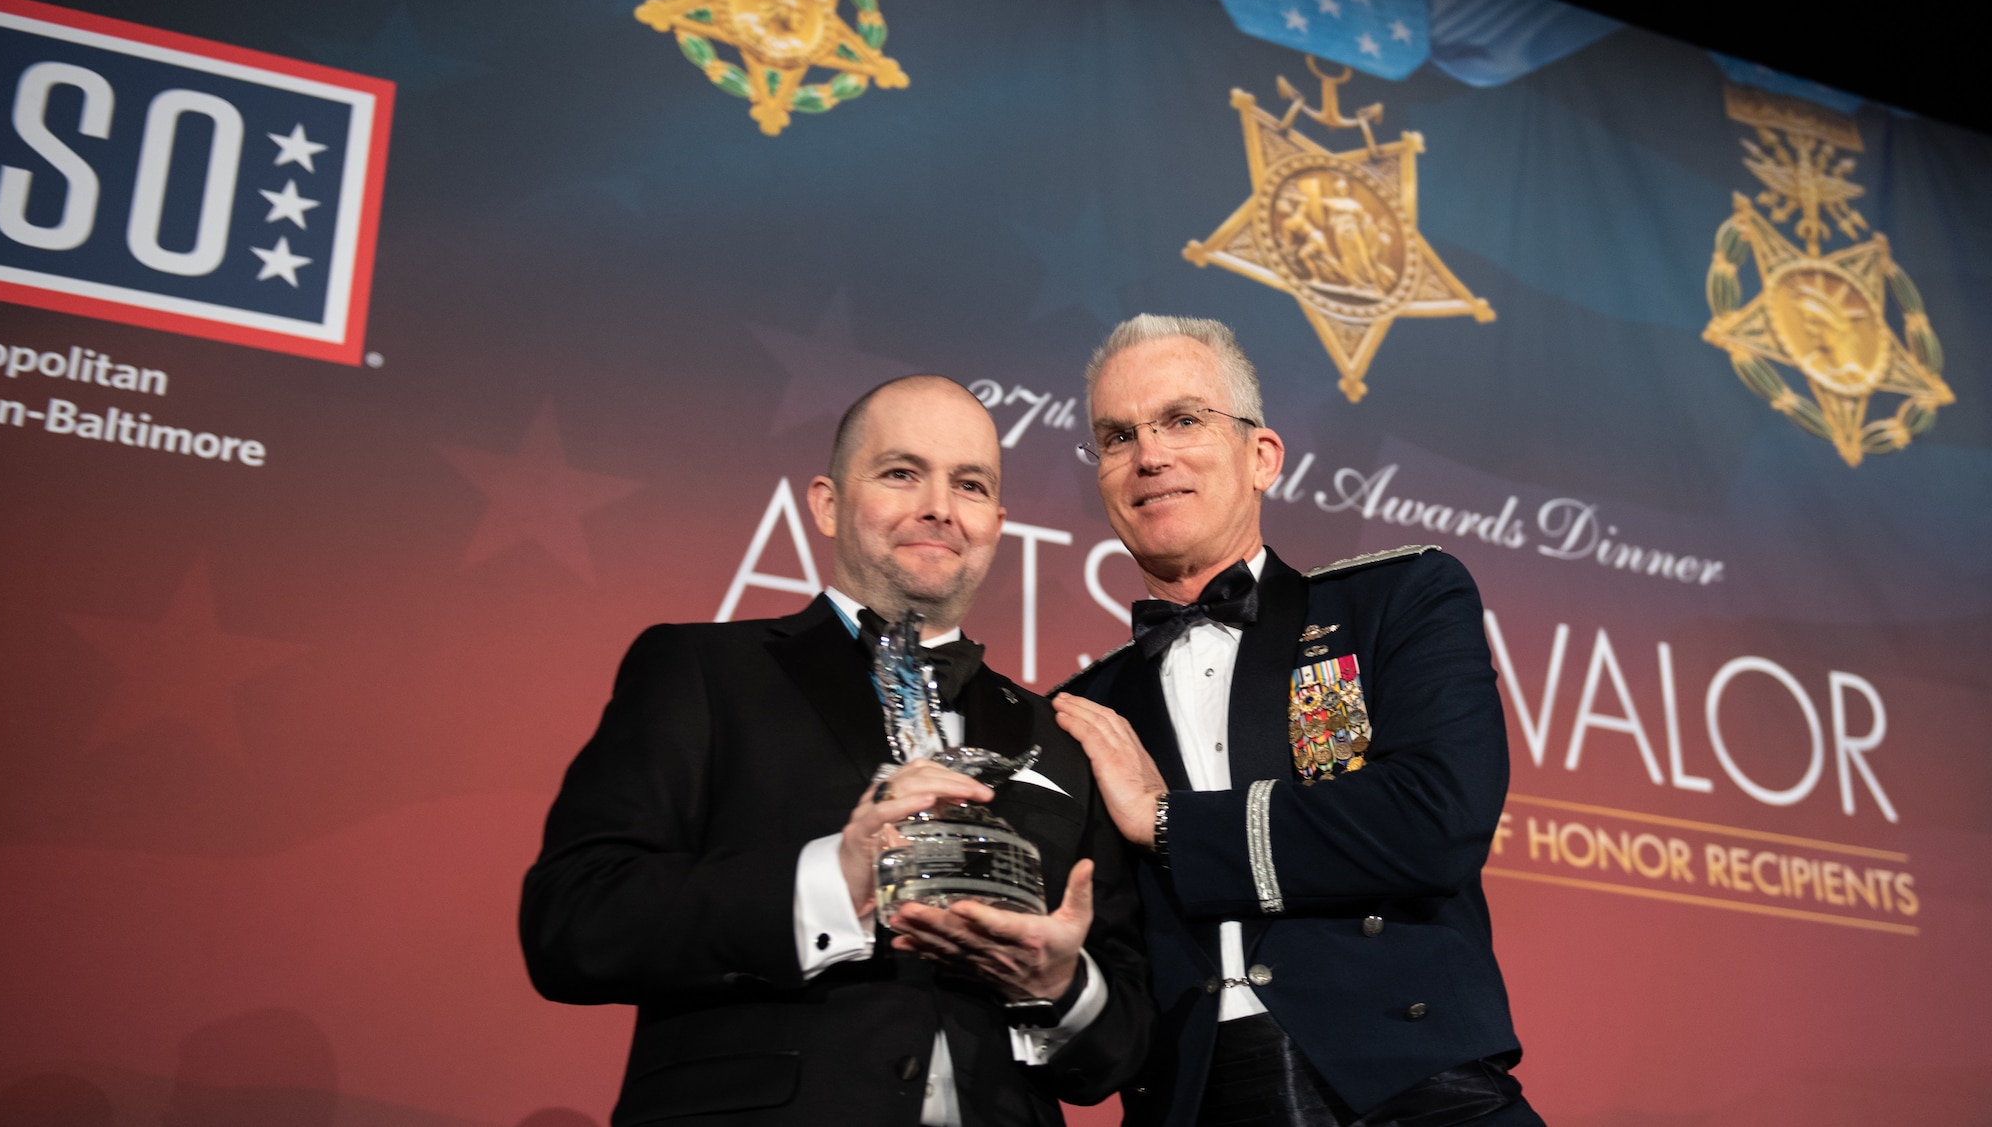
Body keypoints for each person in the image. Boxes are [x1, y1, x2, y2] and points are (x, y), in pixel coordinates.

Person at [521, 375, 1151, 1127]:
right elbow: (573, 921)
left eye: (970, 484)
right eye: (900, 472)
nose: (939, 507)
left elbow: (1122, 1043)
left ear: (996, 521)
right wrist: (835, 878)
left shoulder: (1063, 736)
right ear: (826, 502)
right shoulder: (703, 671)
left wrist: (1059, 985)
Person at [1051, 315, 1541, 1127]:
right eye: (1116, 436)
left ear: (1261, 456)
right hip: (1193, 1098)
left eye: (1182, 419)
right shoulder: (1087, 709)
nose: (1150, 455)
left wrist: (1170, 821)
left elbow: (1431, 819)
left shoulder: (1399, 599)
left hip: (1413, 1084)